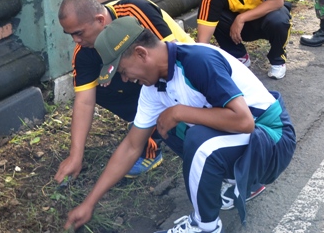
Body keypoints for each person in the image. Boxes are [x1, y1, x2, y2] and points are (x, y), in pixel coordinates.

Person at [63, 17, 296, 233]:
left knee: (197, 139)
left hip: (273, 139)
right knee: (169, 127)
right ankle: (237, 180)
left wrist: (180, 111)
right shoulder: (152, 89)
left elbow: (244, 121)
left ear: (142, 54)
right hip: (247, 140)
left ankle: (204, 226)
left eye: (123, 71)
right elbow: (132, 146)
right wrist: (89, 203)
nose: (125, 79)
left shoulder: (197, 60)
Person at [54, 0, 193, 184]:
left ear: (100, 20)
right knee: (96, 88)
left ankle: (152, 141)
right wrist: (75, 155)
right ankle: (146, 127)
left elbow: (172, 57)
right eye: (70, 35)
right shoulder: (84, 52)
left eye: (79, 33)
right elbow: (84, 101)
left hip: (184, 73)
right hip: (147, 82)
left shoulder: (135, 11)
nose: (75, 41)